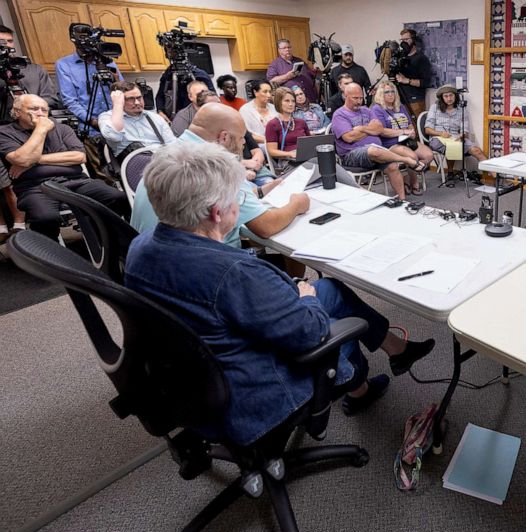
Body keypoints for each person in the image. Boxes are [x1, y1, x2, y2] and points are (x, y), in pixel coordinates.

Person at [125, 141, 437, 445]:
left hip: (192, 374)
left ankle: (391, 355)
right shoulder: (234, 273)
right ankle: (356, 382)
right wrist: (306, 299)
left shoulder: (140, 247)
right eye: (239, 195)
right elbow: (310, 333)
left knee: (330, 288)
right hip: (253, 389)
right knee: (329, 313)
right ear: (217, 213)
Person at [131, 103, 302, 248]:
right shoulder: (216, 166)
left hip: (153, 260)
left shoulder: (168, 155)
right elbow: (266, 226)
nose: (244, 143)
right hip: (206, 268)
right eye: (242, 138)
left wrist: (261, 191)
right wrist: (297, 203)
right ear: (224, 137)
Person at [0, 94, 128, 240]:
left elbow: (79, 156)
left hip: (76, 181)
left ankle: (102, 238)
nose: (41, 114)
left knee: (117, 197)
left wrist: (34, 160)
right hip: (35, 188)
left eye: (44, 110)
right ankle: (49, 255)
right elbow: (22, 159)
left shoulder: (62, 129)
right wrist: (41, 129)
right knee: (45, 218)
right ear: (17, 111)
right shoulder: (4, 133)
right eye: (34, 109)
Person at [332, 83, 426, 200]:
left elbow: (379, 129)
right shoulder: (339, 115)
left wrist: (361, 129)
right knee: (374, 150)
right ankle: (407, 160)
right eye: (355, 98)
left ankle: (402, 200)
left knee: (392, 166)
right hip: (352, 154)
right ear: (345, 96)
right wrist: (371, 129)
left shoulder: (366, 110)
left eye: (361, 98)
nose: (359, 101)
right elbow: (349, 137)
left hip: (377, 151)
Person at [55, 24, 124, 136]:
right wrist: (93, 122)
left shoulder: (107, 60)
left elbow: (122, 91)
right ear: (74, 39)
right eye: (82, 37)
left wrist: (116, 81)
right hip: (90, 128)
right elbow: (70, 100)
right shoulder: (64, 65)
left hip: (116, 121)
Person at [370, 83, 433, 195]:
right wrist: (403, 132)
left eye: (392, 91)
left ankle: (407, 179)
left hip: (407, 140)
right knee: (412, 156)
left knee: (429, 155)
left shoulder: (400, 106)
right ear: (380, 94)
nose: (390, 94)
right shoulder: (377, 109)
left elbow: (409, 124)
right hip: (390, 143)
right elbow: (382, 131)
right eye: (387, 92)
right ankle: (414, 182)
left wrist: (412, 132)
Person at [98, 81, 176, 161]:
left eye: (139, 97)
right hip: (133, 165)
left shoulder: (155, 117)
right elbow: (114, 136)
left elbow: (172, 144)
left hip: (162, 161)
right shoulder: (107, 117)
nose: (137, 102)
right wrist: (118, 105)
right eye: (130, 99)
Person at [423, 84, 486, 165]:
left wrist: (462, 135)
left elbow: (465, 129)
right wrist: (441, 133)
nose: (449, 98)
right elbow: (427, 130)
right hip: (437, 138)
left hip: (455, 137)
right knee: (452, 147)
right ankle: (450, 173)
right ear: (442, 98)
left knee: (477, 151)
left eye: (451, 95)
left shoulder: (462, 109)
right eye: (446, 96)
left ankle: (491, 176)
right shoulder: (434, 107)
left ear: (455, 96)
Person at [0, 25, 58, 108]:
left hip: (36, 117)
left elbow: (51, 99)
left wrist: (31, 106)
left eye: (10, 41)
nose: (7, 45)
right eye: (1, 42)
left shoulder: (36, 70)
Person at [265, 87, 310, 170]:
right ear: (279, 103)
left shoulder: (301, 122)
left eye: (293, 101)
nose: (291, 104)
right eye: (287, 101)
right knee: (316, 168)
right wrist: (290, 154)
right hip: (288, 160)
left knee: (327, 161)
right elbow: (272, 151)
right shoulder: (272, 124)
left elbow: (309, 143)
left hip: (306, 157)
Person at [266, 39, 318, 104]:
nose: (287, 49)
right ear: (279, 50)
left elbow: (310, 74)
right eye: (284, 48)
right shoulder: (275, 64)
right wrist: (287, 76)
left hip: (310, 98)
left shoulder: (299, 60)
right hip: (293, 102)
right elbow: (271, 81)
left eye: (289, 47)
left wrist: (315, 69)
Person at [395, 28, 432, 118]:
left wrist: (407, 80)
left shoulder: (421, 59)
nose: (403, 43)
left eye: (406, 39)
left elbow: (426, 82)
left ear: (413, 40)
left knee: (417, 127)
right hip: (401, 100)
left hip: (415, 101)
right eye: (402, 40)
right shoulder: (400, 58)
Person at [239, 80, 276, 145]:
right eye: (265, 92)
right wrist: (269, 140)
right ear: (255, 92)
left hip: (275, 142)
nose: (269, 95)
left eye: (270, 92)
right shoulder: (245, 110)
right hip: (256, 145)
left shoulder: (273, 108)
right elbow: (246, 134)